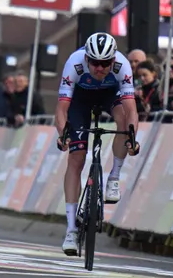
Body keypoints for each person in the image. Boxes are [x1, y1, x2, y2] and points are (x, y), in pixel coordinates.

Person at [53, 32, 137, 256]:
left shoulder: (123, 65)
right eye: (95, 63)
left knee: (122, 120)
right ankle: (71, 230)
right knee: (76, 157)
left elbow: (131, 110)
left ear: (113, 60)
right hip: (80, 99)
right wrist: (63, 134)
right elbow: (61, 109)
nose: (100, 69)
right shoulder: (74, 63)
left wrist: (132, 137)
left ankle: (114, 178)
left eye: (105, 63)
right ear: (87, 59)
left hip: (109, 94)